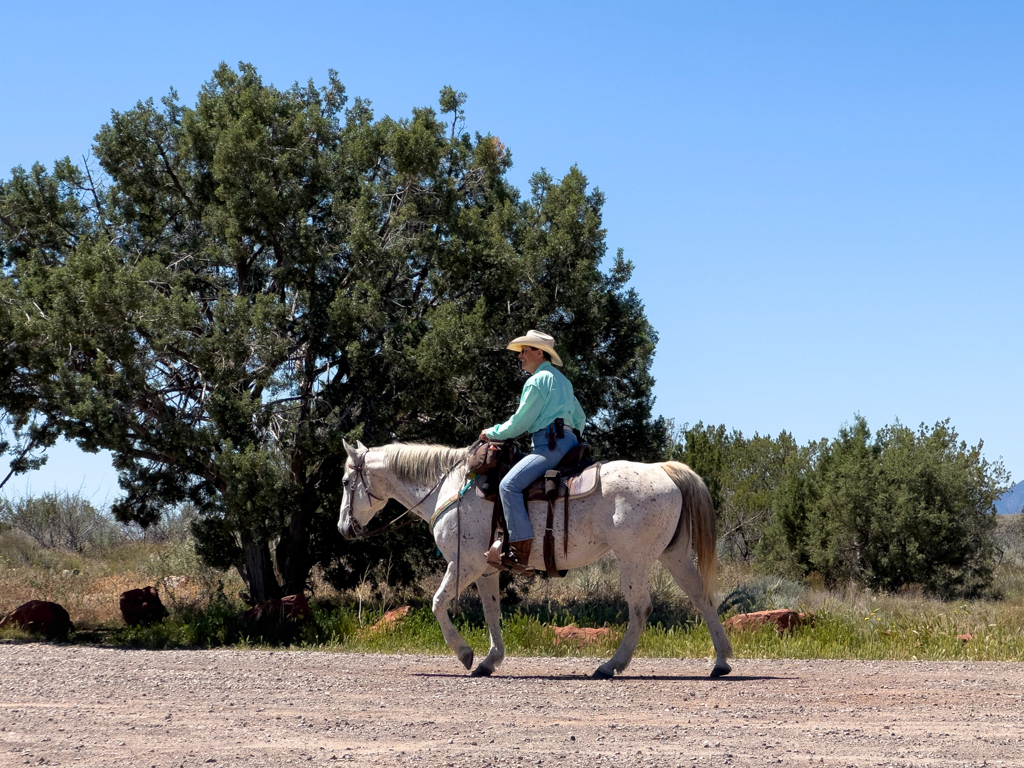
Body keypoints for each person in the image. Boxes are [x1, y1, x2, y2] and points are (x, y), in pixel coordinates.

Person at [479, 330, 586, 571]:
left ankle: (519, 553)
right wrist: (571, 439)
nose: (520, 356)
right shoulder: (564, 382)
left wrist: (492, 432)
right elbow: (580, 417)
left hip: (548, 445)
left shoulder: (538, 380)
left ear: (539, 352)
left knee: (509, 486)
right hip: (567, 443)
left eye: (524, 350)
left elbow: (520, 423)